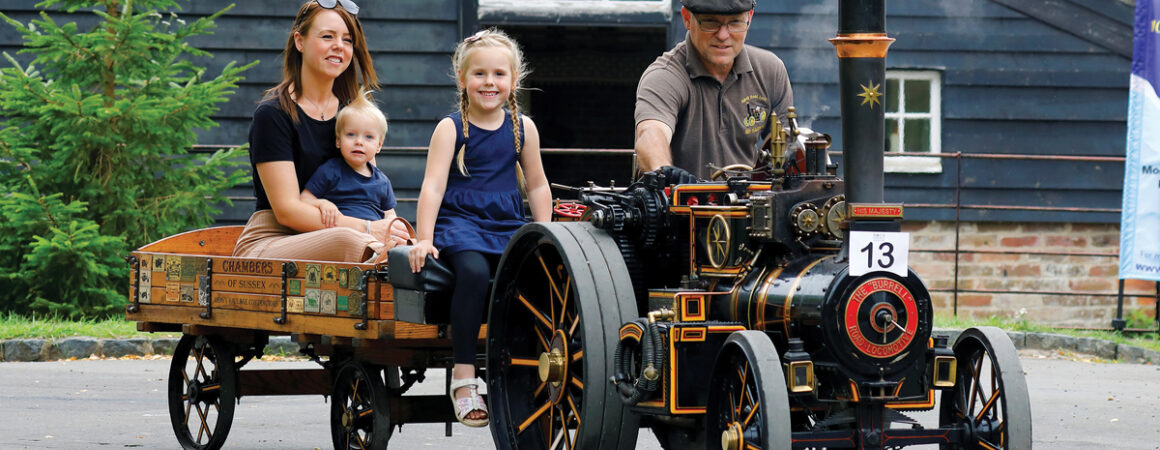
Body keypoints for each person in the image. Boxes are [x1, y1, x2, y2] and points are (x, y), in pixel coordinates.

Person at [407, 29, 552, 428]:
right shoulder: (452, 128)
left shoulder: (524, 128)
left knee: (532, 279)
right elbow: (433, 186)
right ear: (462, 78)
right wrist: (424, 239)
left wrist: (546, 235)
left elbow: (538, 184)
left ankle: (522, 368)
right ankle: (464, 377)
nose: (490, 83)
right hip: (462, 223)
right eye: (480, 74)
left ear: (513, 80)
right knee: (473, 273)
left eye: (499, 75)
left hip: (507, 223)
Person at [233, 0, 407, 262]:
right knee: (348, 240)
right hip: (274, 239)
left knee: (409, 248)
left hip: (349, 233)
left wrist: (393, 231)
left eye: (348, 40)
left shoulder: (353, 114)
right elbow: (288, 212)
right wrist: (369, 228)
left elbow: (370, 184)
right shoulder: (273, 115)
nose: (339, 45)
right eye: (327, 36)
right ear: (299, 42)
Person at [634, 0, 794, 183]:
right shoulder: (664, 76)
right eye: (710, 22)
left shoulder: (770, 71)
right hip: (681, 207)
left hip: (750, 207)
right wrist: (664, 173)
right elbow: (651, 133)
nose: (723, 35)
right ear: (687, 18)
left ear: (749, 19)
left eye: (735, 22)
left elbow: (789, 150)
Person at [300, 89, 399, 228]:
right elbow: (304, 200)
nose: (359, 141)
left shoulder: (382, 181)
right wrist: (322, 203)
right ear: (338, 141)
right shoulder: (331, 171)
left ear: (379, 145)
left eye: (368, 137)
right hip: (342, 234)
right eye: (351, 134)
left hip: (375, 237)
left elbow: (390, 215)